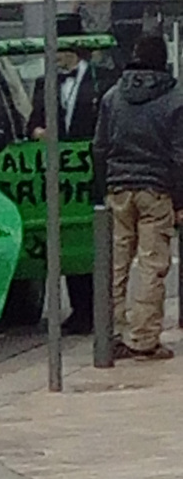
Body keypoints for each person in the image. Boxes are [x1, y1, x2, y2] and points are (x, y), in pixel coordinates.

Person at [92, 32, 183, 361]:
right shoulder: (175, 99)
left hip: (118, 189)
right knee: (151, 263)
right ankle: (143, 339)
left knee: (116, 264)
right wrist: (180, 200)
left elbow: (99, 147)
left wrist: (105, 185)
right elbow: (179, 156)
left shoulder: (112, 96)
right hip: (155, 190)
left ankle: (111, 333)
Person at [28, 43, 105, 335]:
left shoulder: (101, 79)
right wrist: (38, 132)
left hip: (89, 173)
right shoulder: (45, 83)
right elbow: (32, 122)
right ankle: (78, 309)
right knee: (67, 236)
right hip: (58, 174)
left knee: (91, 237)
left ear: (72, 49)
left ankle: (95, 309)